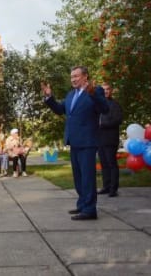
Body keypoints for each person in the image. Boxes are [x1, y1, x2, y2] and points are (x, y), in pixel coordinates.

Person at [42, 66, 109, 220]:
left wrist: (91, 93)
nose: (73, 79)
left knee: (87, 177)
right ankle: (82, 205)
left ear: (85, 77)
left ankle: (90, 210)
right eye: (71, 76)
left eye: (76, 76)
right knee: (78, 177)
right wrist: (49, 98)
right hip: (74, 141)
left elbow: (104, 109)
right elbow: (60, 110)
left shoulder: (95, 90)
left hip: (88, 141)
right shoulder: (71, 94)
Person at [97, 83, 123, 197]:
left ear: (111, 91)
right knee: (104, 164)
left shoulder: (115, 105)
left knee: (111, 164)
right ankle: (106, 187)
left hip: (110, 139)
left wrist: (101, 124)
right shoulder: (98, 105)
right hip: (99, 139)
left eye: (108, 89)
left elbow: (117, 120)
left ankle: (113, 189)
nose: (106, 91)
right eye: (103, 90)